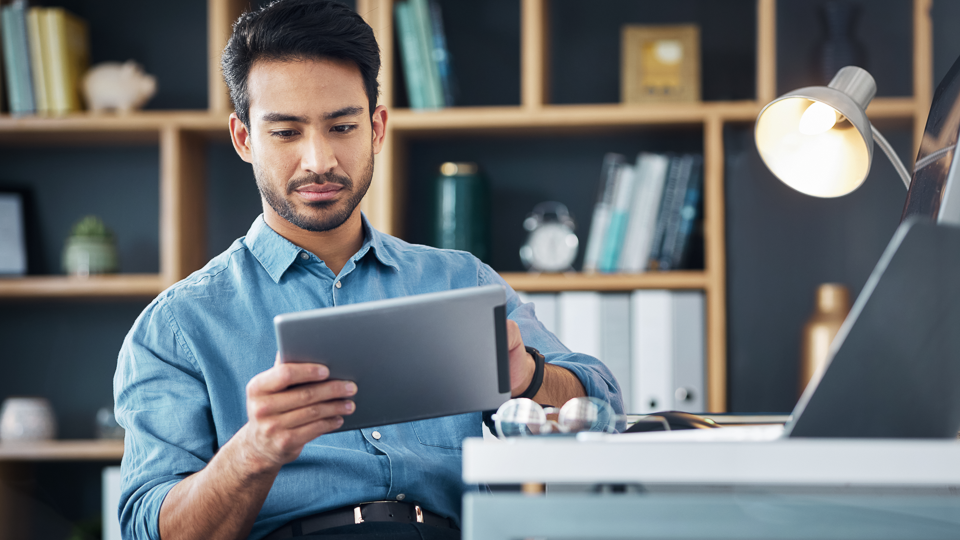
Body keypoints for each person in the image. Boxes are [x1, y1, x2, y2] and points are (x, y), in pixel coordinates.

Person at [114, 1, 623, 539]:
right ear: (245, 139)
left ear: (377, 128)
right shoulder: (179, 326)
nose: (319, 160)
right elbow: (148, 527)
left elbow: (606, 404)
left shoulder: (460, 281)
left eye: (341, 126)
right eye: (286, 133)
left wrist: (531, 377)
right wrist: (253, 451)